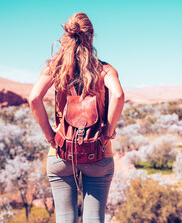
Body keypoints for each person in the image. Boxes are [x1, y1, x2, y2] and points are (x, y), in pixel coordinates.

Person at [29, 12, 124, 223]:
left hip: (61, 151)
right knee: (94, 219)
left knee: (65, 219)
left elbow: (34, 98)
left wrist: (50, 137)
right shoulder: (105, 69)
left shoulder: (55, 68)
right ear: (91, 37)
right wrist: (107, 132)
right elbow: (118, 95)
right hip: (98, 152)